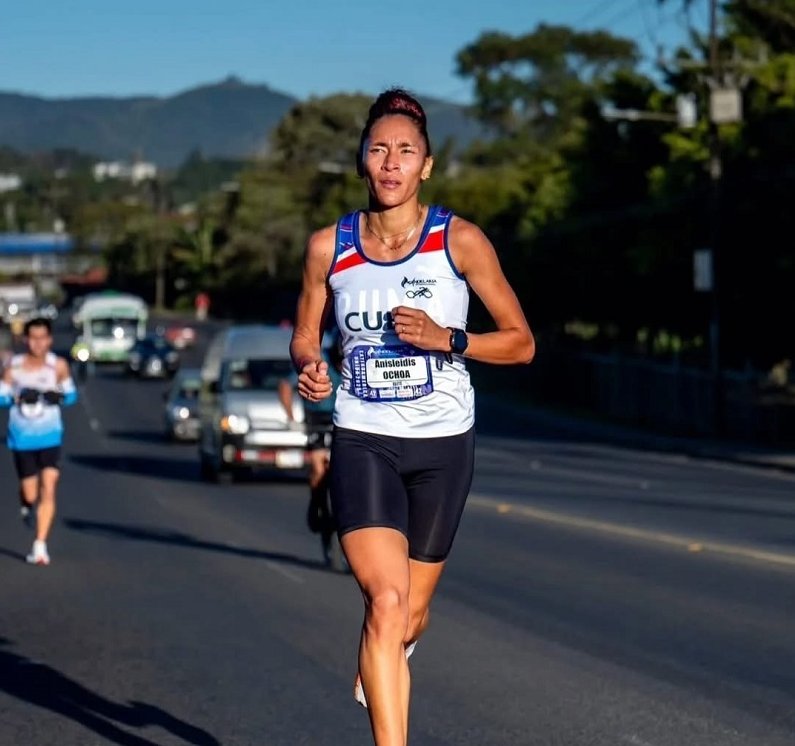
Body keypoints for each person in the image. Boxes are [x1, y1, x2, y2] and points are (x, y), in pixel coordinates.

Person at [289, 88, 535, 746]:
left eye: (405, 152)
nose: (391, 163)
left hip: (442, 442)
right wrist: (310, 365)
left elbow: (520, 342)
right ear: (361, 162)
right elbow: (305, 336)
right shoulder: (327, 248)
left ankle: (380, 653)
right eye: (378, 150)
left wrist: (448, 339)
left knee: (411, 613)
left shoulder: (459, 241)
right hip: (364, 436)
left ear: (426, 165)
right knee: (385, 601)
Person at [0, 317, 78, 565]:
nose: (38, 343)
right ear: (26, 340)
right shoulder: (14, 366)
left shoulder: (59, 366)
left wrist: (59, 398)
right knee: (31, 492)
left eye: (42, 338)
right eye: (33, 338)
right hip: (22, 437)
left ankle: (40, 545)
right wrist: (19, 398)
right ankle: (26, 504)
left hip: (50, 436)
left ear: (50, 339)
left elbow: (72, 395)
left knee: (50, 486)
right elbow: (1, 398)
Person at [280, 330, 343, 565]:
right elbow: (286, 386)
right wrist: (291, 417)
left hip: (343, 420)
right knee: (318, 468)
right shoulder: (321, 359)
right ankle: (317, 501)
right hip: (317, 419)